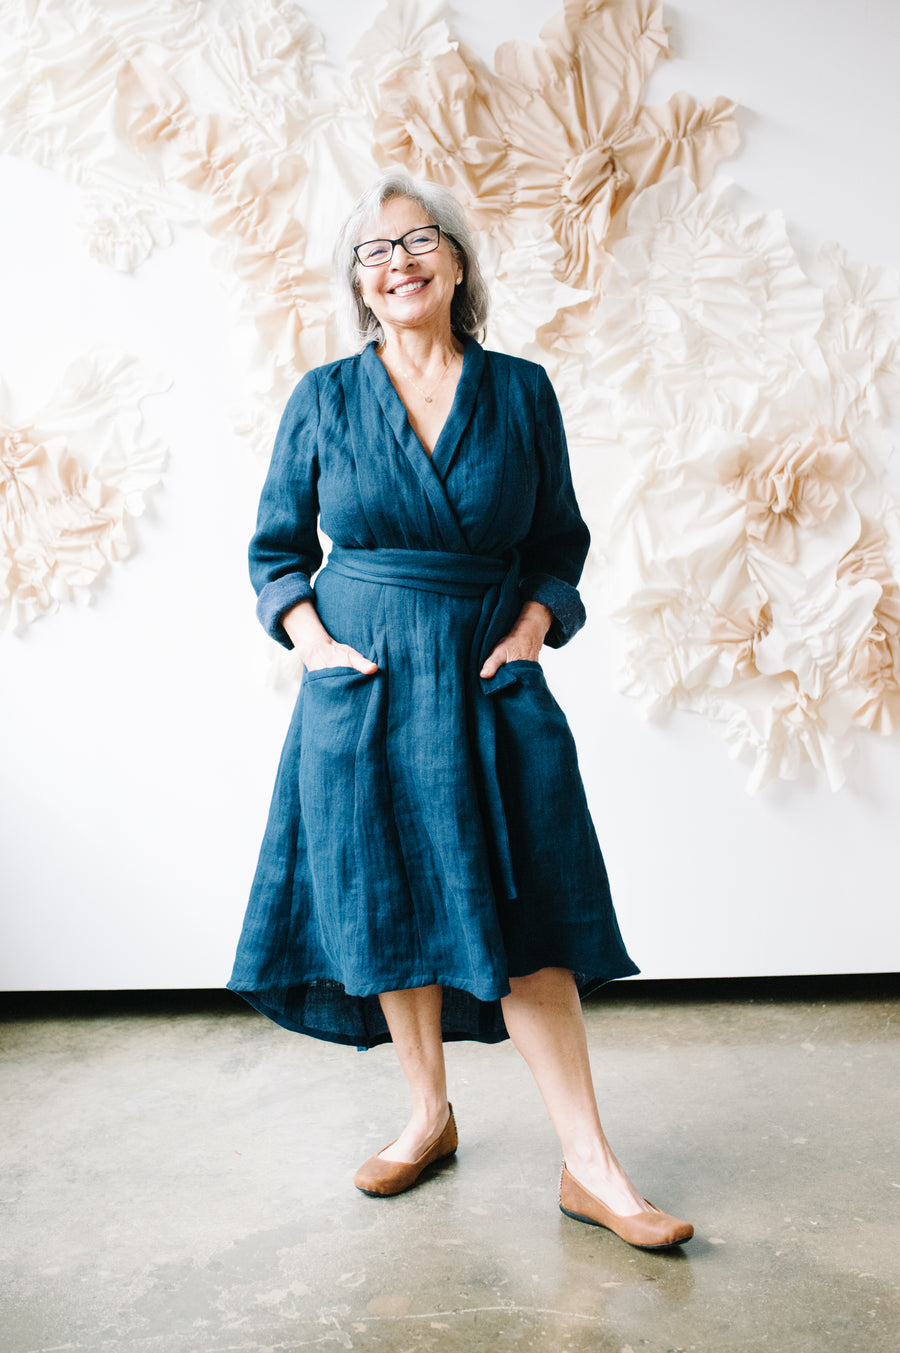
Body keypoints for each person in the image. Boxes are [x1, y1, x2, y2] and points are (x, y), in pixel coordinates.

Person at [228, 173, 693, 1251]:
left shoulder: (521, 392)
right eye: (375, 250)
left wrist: (531, 631)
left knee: (532, 913)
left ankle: (592, 1167)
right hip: (367, 686)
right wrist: (318, 649)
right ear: (358, 282)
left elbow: (559, 541)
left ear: (456, 261)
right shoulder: (323, 398)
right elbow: (276, 552)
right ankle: (426, 1114)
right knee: (386, 900)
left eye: (418, 241)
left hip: (487, 675)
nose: (399, 262)